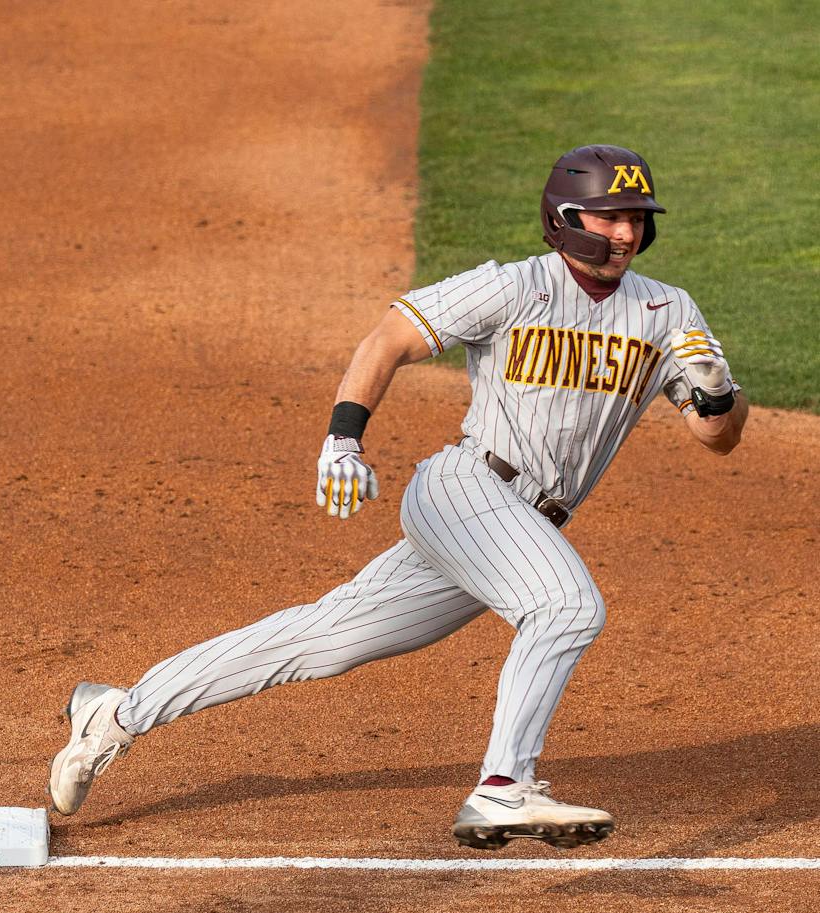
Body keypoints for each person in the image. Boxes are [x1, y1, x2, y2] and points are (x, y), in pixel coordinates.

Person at [48, 144, 748, 851]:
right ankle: (504, 789)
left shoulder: (667, 310)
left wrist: (716, 390)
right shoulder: (514, 288)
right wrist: (343, 440)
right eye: (610, 217)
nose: (627, 234)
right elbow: (388, 339)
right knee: (566, 607)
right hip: (467, 489)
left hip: (516, 531)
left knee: (325, 641)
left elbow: (717, 438)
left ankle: (119, 711)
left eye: (636, 219)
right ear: (565, 218)